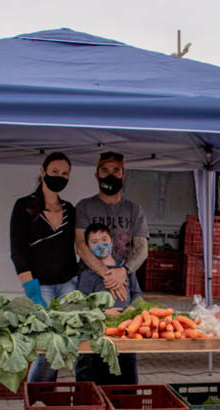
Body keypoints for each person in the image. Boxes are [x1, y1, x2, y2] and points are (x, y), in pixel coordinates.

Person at [10, 152, 78, 382]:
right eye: (55, 172)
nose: (60, 177)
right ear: (43, 172)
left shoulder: (70, 209)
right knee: (47, 346)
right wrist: (32, 290)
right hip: (41, 286)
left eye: (65, 174)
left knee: (68, 342)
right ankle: (37, 396)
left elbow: (75, 247)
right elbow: (17, 251)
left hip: (69, 282)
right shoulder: (24, 206)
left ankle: (49, 398)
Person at [74, 152, 148, 304]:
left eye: (116, 170)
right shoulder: (84, 207)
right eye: (105, 170)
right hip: (91, 282)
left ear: (123, 175)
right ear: (97, 175)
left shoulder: (134, 209)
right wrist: (109, 275)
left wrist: (123, 272)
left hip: (124, 280)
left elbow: (142, 249)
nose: (110, 175)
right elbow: (81, 245)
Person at [74, 223, 140, 384]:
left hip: (125, 332)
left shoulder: (124, 268)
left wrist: (133, 307)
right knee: (94, 380)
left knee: (126, 380)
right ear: (88, 247)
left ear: (111, 241)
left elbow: (137, 293)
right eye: (94, 242)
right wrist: (103, 314)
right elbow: (81, 305)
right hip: (99, 334)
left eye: (104, 239)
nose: (101, 244)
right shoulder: (87, 275)